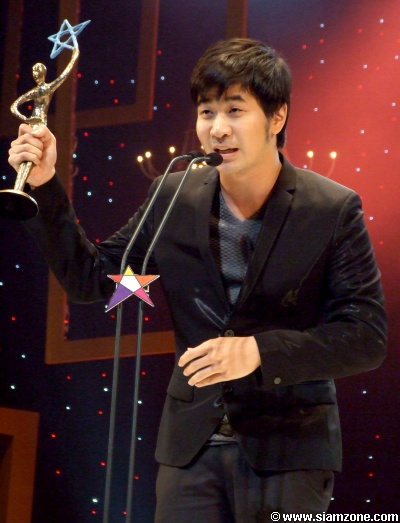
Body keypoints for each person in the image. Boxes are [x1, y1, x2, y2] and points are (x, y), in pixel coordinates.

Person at [8, 38, 387, 522]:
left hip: (289, 450)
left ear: (277, 117)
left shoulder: (330, 208)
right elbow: (93, 280)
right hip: (190, 450)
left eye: (235, 110)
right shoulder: (174, 196)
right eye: (207, 112)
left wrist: (259, 351)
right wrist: (44, 184)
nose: (217, 128)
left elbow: (364, 337)